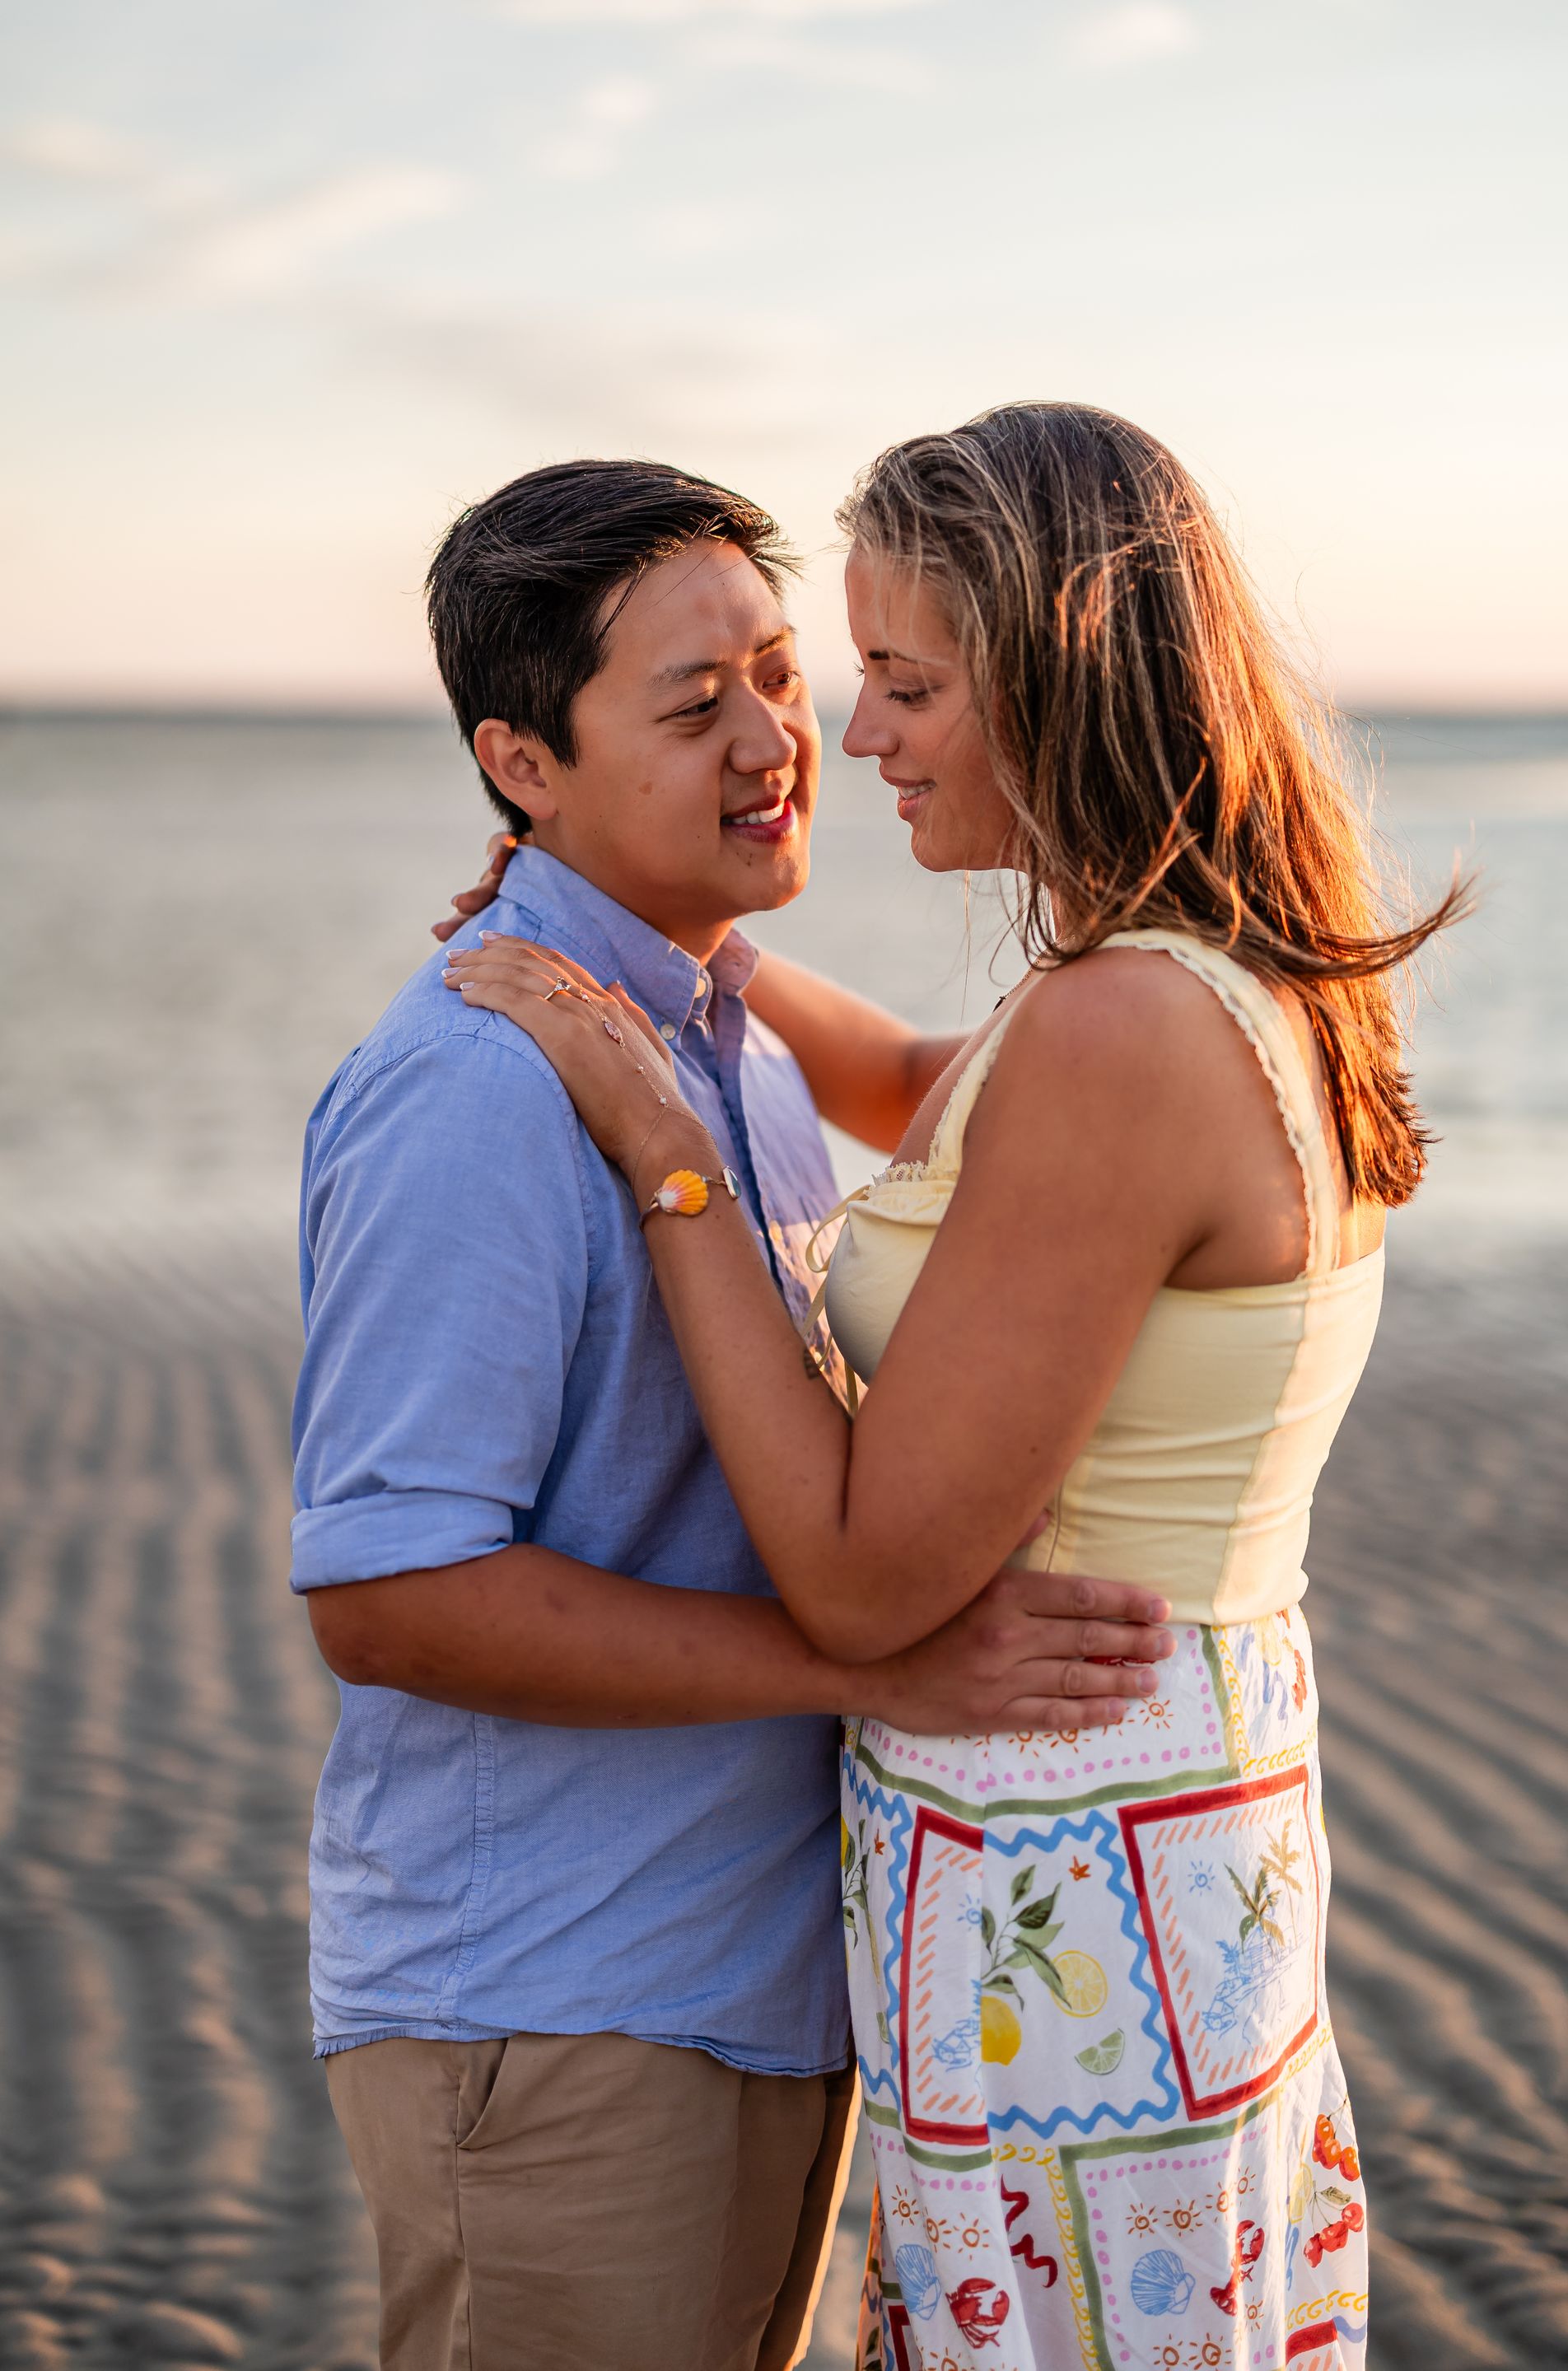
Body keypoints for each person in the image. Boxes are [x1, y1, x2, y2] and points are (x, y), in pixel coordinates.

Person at [442, 403, 1465, 2371]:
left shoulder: (1121, 1031)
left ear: (1057, 678)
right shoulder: (1201, 983)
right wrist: (682, 955)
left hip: (1068, 1875)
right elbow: (942, 1104)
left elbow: (857, 1582)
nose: (855, 736)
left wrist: (667, 1145)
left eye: (905, 684)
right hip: (1160, 1846)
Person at [292, 455, 1174, 2371]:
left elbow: (1001, 1095)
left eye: (783, 675)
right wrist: (869, 1664)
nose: (784, 738)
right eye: (698, 710)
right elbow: (386, 1597)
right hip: (554, 2015)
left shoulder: (724, 1028)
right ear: (524, 763)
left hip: (760, 1980)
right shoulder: (480, 1089)